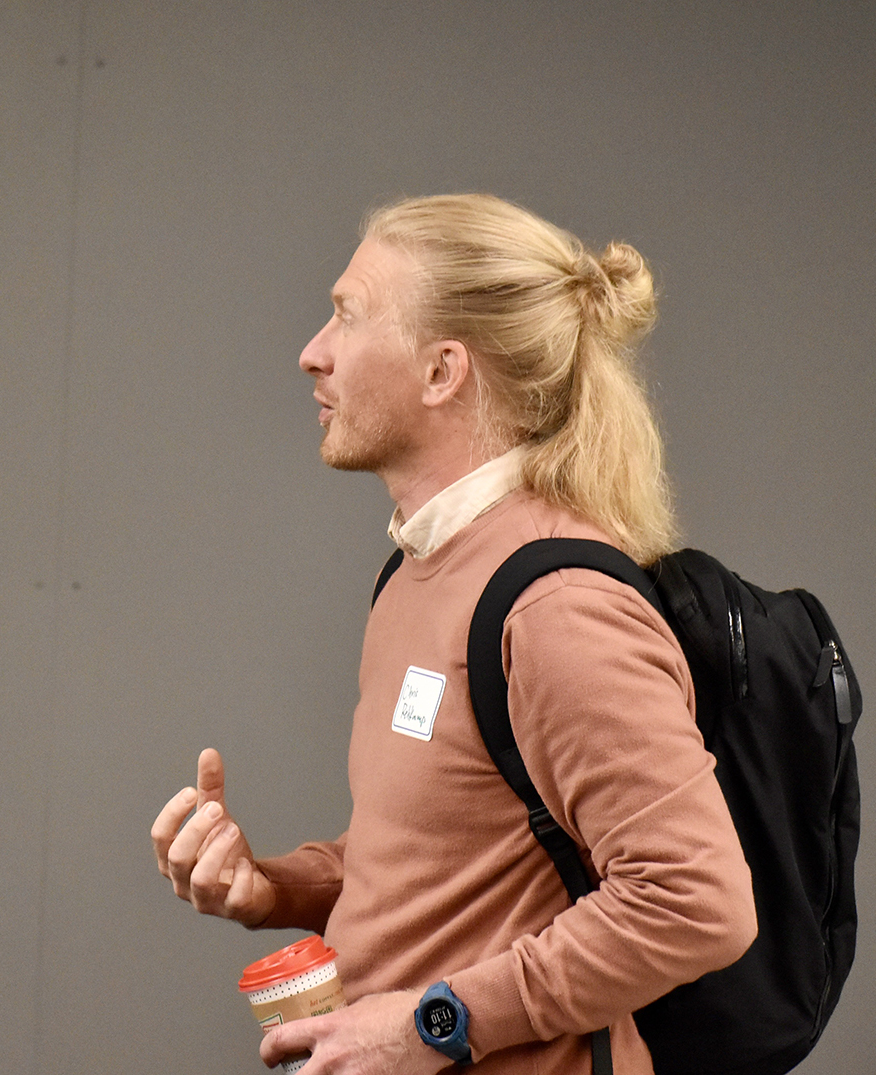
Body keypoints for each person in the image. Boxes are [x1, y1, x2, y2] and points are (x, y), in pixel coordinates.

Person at [150, 194, 756, 1074]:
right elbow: (443, 854)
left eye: (347, 318)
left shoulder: (556, 605)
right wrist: (275, 887)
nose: (311, 352)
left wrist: (434, 1024)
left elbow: (698, 901)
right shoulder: (417, 570)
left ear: (443, 371)